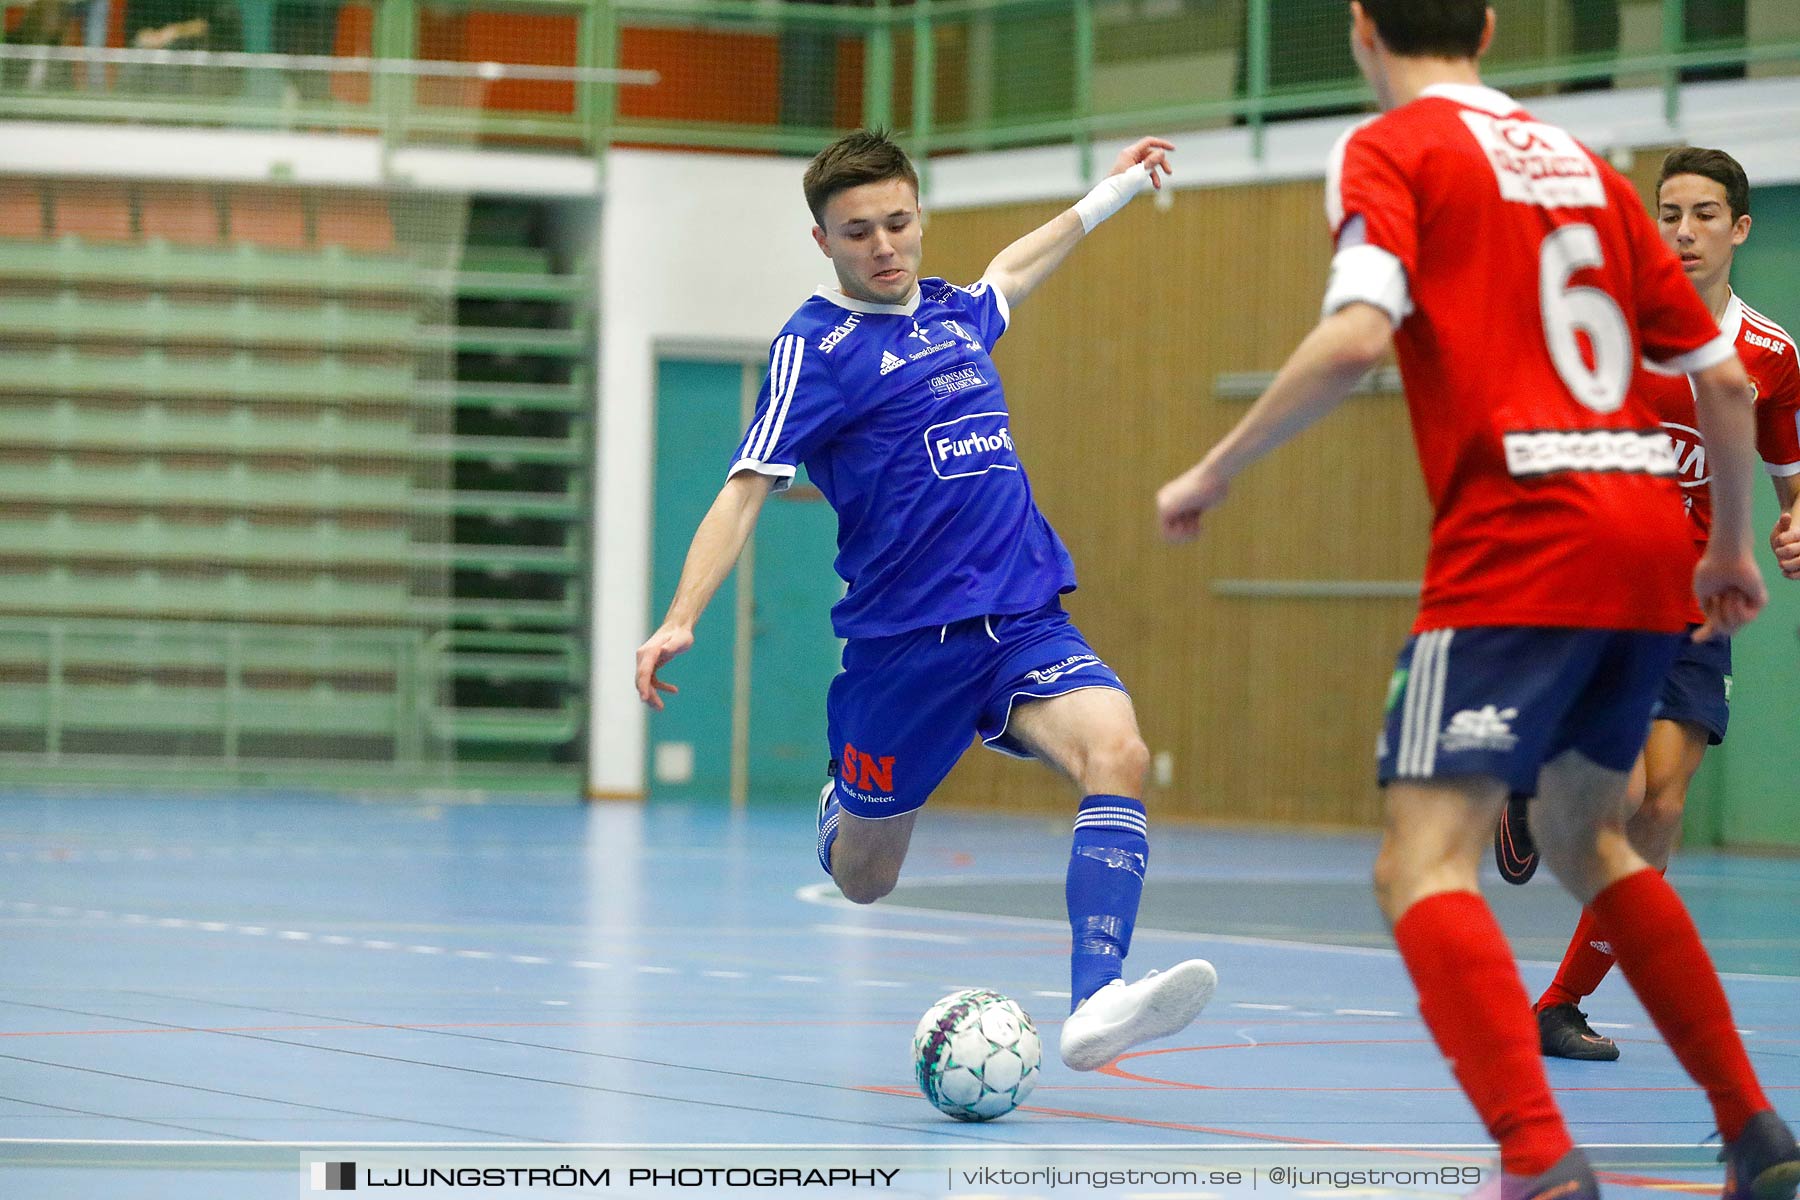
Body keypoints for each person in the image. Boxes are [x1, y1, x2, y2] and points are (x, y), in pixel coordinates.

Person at [1154, 3, 1797, 1197]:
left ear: (1359, 29)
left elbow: (1355, 338)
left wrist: (1216, 466)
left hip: (1522, 533)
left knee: (1420, 863)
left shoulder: (1391, 148)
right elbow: (1718, 376)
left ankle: (1534, 1154)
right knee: (1588, 836)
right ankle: (1754, 1126)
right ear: (1492, 25)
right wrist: (1728, 552)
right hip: (1649, 537)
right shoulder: (1590, 172)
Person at [635, 129, 1217, 1072]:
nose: (884, 245)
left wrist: (1108, 194)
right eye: (857, 231)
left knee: (1120, 750)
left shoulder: (953, 314)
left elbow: (1013, 270)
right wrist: (679, 615)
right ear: (823, 240)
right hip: (904, 650)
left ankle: (1096, 998)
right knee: (867, 880)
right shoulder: (814, 349)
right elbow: (746, 486)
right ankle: (844, 804)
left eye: (898, 222)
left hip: (1024, 621)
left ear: (919, 215)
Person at [1495, 146, 1800, 1063]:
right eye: (1669, 213)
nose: (1685, 231)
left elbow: (1792, 477)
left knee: (1658, 812)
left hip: (1699, 607)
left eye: (1705, 214)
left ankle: (1557, 1006)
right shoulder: (1615, 325)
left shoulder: (1771, 355)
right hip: (1606, 587)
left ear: (1740, 228)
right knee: (1615, 794)